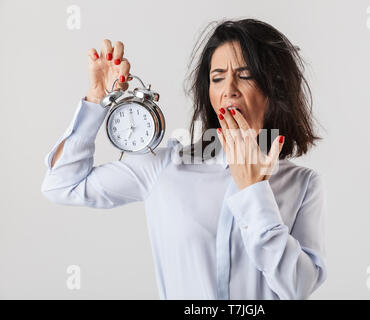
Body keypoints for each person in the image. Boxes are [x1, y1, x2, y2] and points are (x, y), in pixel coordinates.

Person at [41, 18, 327, 300]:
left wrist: (255, 193)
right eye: (217, 78)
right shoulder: (165, 167)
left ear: (273, 88)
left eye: (245, 75)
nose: (229, 89)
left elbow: (298, 288)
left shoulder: (302, 185)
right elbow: (62, 185)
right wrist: (97, 99)